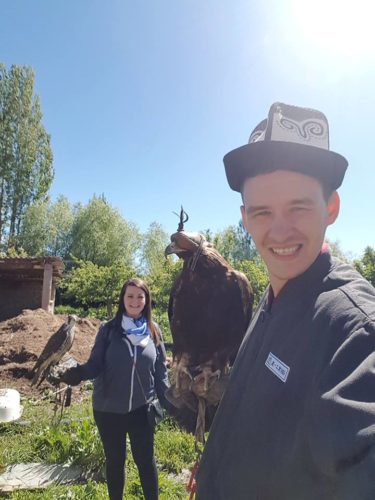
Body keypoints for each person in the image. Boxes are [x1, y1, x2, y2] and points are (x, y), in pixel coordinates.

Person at [196, 102, 375, 499]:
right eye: (262, 212)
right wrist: (214, 465)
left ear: (331, 208)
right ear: (244, 219)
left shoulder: (353, 329)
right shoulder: (272, 296)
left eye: (298, 207)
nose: (279, 232)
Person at [60, 277, 170, 500]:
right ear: (122, 299)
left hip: (142, 408)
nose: (135, 301)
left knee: (146, 461)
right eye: (130, 296)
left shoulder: (154, 330)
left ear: (146, 300)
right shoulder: (108, 329)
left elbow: (160, 373)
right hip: (108, 409)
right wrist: (77, 374)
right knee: (115, 461)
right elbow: (95, 365)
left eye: (140, 296)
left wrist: (172, 402)